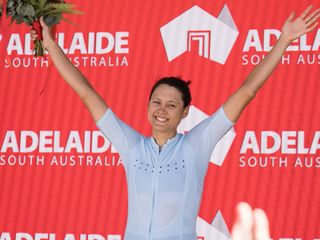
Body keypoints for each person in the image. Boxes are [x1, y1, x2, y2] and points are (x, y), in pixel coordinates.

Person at [31, 5, 319, 240]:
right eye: (156, 102)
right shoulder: (131, 146)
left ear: (184, 113)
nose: (161, 110)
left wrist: (283, 40)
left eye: (171, 105)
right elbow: (85, 91)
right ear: (147, 105)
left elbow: (247, 91)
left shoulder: (196, 145)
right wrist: (51, 44)